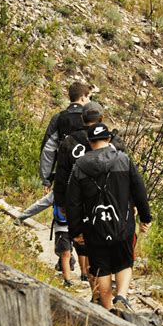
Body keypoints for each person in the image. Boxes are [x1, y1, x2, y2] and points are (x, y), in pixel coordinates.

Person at [66, 123, 151, 311]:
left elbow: (73, 202)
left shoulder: (79, 166)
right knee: (124, 264)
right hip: (122, 225)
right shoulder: (123, 160)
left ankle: (109, 312)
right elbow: (139, 191)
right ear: (109, 139)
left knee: (100, 269)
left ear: (89, 142)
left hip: (95, 228)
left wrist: (76, 231)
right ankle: (121, 296)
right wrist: (145, 218)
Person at [54, 101, 124, 282]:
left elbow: (61, 174)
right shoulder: (112, 142)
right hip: (105, 199)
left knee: (82, 238)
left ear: (82, 118)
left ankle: (90, 276)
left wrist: (60, 201)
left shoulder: (69, 141)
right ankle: (102, 281)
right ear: (101, 119)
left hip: (77, 197)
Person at [40, 82, 91, 189]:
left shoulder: (58, 117)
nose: (89, 101)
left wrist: (46, 179)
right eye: (88, 97)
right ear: (82, 98)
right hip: (88, 175)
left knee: (62, 203)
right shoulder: (91, 118)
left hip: (63, 174)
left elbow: (48, 149)